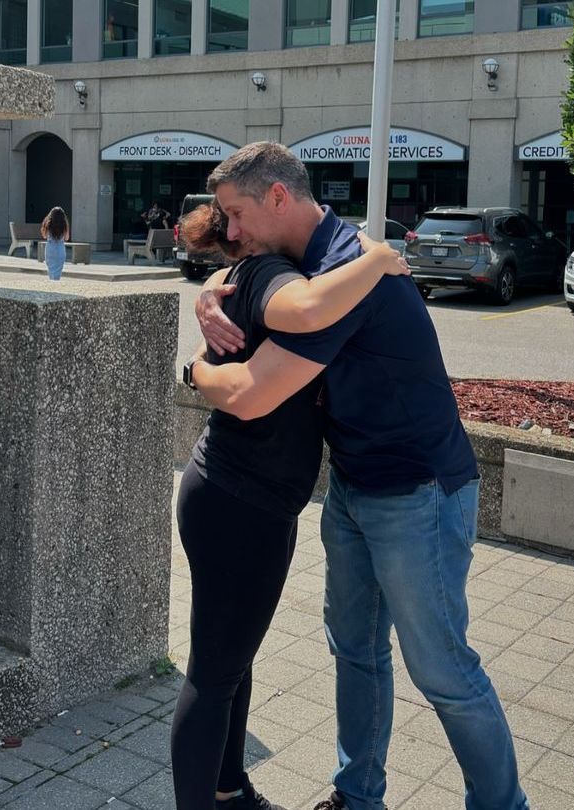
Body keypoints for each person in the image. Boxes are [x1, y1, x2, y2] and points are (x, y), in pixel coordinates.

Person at [188, 142, 529, 810]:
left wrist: (193, 372)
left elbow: (256, 393)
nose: (231, 232)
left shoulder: (343, 275)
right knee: (355, 650)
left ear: (278, 197)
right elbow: (242, 282)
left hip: (419, 494)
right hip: (354, 485)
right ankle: (358, 796)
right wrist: (208, 296)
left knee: (442, 671)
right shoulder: (312, 260)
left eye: (236, 214)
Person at [171, 202, 410, 810]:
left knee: (227, 660)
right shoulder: (274, 272)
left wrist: (205, 306)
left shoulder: (237, 276)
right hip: (242, 505)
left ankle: (228, 791)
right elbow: (305, 308)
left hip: (226, 494)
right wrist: (379, 257)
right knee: (214, 675)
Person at [40, 206, 68, 281]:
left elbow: (44, 236)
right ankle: (56, 282)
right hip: (60, 248)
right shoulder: (64, 225)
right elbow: (67, 238)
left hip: (50, 248)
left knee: (51, 268)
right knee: (58, 269)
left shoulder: (48, 224)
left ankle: (52, 282)